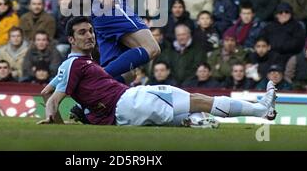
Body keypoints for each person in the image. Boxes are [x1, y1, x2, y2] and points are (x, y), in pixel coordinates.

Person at [39, 16, 277, 126]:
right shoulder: (75, 64)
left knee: (196, 117)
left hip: (123, 116)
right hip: (130, 100)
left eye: (90, 30)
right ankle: (261, 110)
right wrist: (58, 127)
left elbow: (45, 92)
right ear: (70, 39)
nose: (90, 35)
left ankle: (194, 123)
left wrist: (63, 124)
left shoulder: (70, 67)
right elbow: (52, 101)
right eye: (82, 33)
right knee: (200, 101)